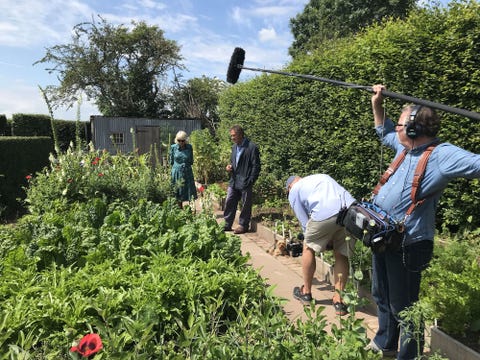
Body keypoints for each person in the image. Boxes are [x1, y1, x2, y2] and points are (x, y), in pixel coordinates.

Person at [368, 84, 480, 359]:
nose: (397, 128)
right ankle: (386, 343)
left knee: (405, 306)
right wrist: (377, 103)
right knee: (381, 294)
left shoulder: (442, 155)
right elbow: (383, 129)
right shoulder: (403, 146)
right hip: (382, 236)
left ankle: (410, 354)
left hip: (409, 243)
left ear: (416, 130)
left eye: (402, 124)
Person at [286, 174, 356, 315]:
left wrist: (319, 240)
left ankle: (306, 293)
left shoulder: (293, 191)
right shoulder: (318, 178)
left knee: (308, 247)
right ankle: (339, 300)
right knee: (341, 254)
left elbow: (305, 223)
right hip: (350, 211)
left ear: (289, 187)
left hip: (324, 213)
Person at [223, 125, 261, 234]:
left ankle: (243, 225)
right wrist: (229, 167)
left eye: (234, 136)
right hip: (234, 180)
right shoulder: (234, 147)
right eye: (231, 136)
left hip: (246, 180)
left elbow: (256, 166)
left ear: (240, 135)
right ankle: (227, 224)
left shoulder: (251, 147)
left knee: (245, 204)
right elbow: (234, 162)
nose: (232, 138)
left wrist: (251, 180)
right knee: (229, 200)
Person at [169, 130, 197, 208]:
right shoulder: (173, 148)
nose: (181, 142)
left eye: (183, 140)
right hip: (177, 172)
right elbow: (171, 161)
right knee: (178, 190)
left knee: (189, 191)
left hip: (187, 172)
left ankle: (190, 210)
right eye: (179, 140)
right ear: (176, 140)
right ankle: (179, 209)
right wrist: (176, 167)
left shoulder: (189, 147)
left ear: (186, 140)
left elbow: (191, 160)